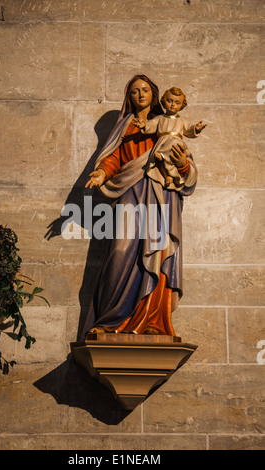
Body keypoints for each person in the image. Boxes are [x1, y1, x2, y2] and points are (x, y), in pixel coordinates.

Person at [82, 75, 197, 337]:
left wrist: (182, 165)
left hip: (162, 196)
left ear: (154, 94)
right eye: (134, 92)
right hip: (131, 194)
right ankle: (111, 321)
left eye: (145, 90)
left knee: (157, 252)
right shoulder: (126, 127)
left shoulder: (167, 124)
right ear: (129, 97)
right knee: (120, 252)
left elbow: (188, 170)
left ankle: (153, 321)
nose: (140, 95)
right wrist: (102, 173)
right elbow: (113, 157)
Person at [133, 86, 206, 189]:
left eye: (177, 103)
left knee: (172, 156)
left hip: (176, 143)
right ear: (164, 101)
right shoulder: (160, 118)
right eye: (169, 101)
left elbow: (189, 130)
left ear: (182, 105)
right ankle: (168, 175)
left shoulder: (182, 120)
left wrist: (196, 129)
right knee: (160, 159)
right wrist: (143, 125)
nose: (172, 105)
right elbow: (151, 125)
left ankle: (171, 175)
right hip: (163, 142)